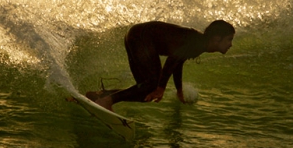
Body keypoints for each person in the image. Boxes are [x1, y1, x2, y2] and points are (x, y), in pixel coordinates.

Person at [87, 20, 235, 111]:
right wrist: (161, 87)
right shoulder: (198, 43)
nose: (230, 44)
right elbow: (172, 59)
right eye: (228, 40)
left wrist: (179, 89)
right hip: (142, 37)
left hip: (136, 35)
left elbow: (178, 62)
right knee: (151, 85)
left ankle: (100, 96)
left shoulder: (199, 42)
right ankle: (106, 101)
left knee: (144, 91)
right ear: (216, 39)